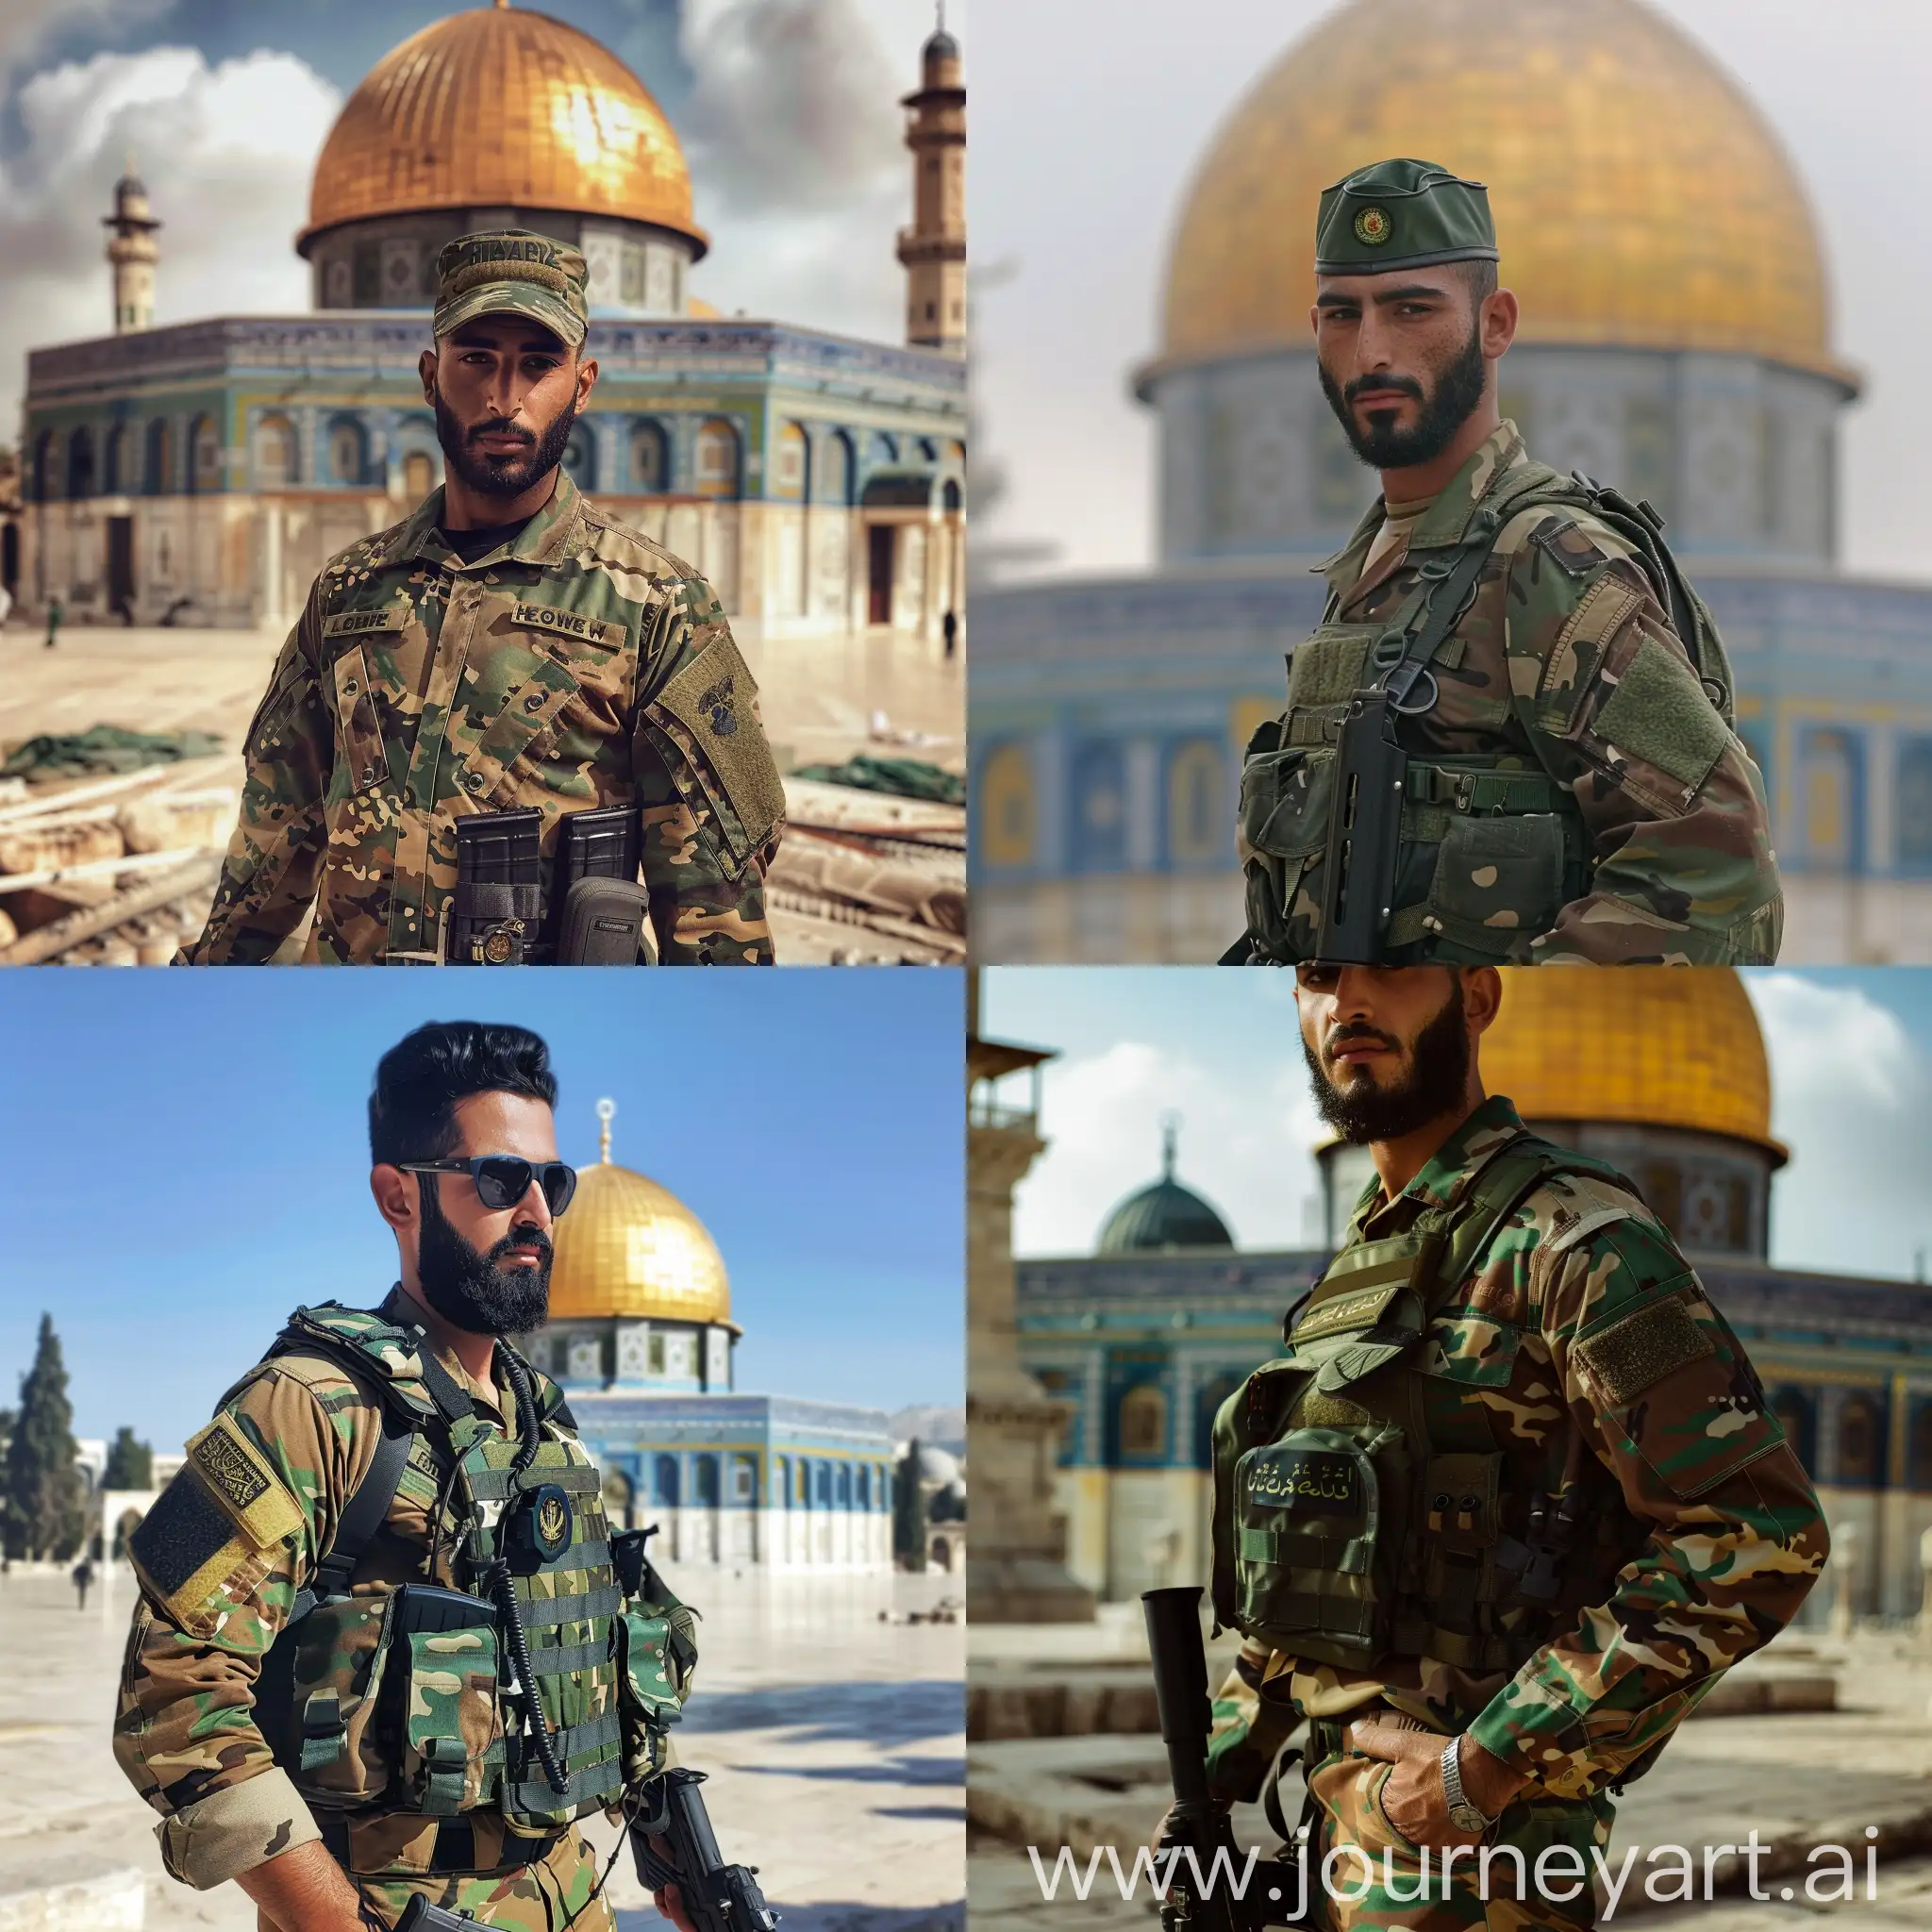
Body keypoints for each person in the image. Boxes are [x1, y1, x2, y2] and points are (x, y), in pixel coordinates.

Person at [1179, 965, 1827, 1929]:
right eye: (1319, 974)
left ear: (1475, 998)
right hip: (1336, 1837)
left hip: (1482, 1864)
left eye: (1391, 968)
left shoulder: (1572, 1241)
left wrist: (1481, 1763)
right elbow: (1313, 1552)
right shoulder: (1363, 1268)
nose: (1348, 1003)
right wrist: (1214, 1773)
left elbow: (1754, 1531)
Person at [115, 1022, 700, 1932]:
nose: (538, 1215)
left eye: (554, 1184)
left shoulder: (545, 1423)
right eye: (503, 1181)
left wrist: (672, 1851)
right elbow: (172, 1695)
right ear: (398, 1195)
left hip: (573, 1902)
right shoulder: (310, 1407)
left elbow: (601, 1658)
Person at [1226, 160, 1782, 967]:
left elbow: (1718, 863)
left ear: (1495, 324)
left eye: (1412, 310)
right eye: (1343, 315)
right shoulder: (1376, 575)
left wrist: (1509, 1016)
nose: (1372, 350)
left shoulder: (1548, 564)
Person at [178, 230, 785, 966]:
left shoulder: (658, 604)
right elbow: (273, 838)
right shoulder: (348, 590)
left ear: (583, 385)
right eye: (477, 361)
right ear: (431, 377)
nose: (505, 400)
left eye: (538, 365)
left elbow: (714, 908)